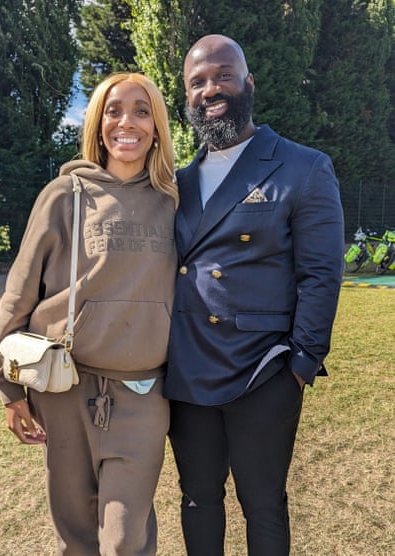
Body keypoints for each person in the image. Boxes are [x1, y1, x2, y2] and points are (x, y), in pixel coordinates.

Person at [164, 34, 344, 555]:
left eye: (222, 74)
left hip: (264, 372)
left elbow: (321, 274)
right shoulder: (176, 182)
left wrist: (302, 363)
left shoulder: (302, 167)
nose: (210, 88)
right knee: (197, 498)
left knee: (263, 502)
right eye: (196, 82)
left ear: (248, 82)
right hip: (187, 371)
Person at [0, 72, 178, 556]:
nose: (126, 122)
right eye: (113, 110)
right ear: (97, 123)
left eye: (141, 110)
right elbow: (20, 292)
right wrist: (8, 388)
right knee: (75, 537)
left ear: (156, 125)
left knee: (124, 540)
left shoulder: (176, 201)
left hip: (142, 395)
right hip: (63, 389)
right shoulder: (64, 194)